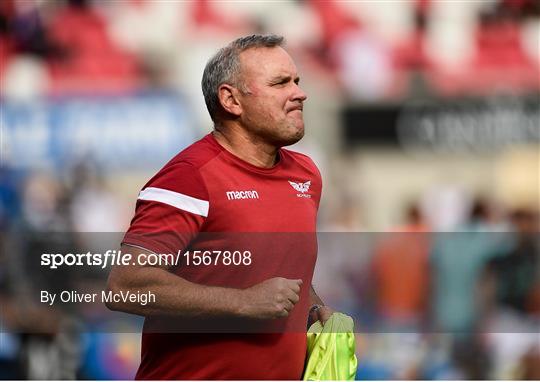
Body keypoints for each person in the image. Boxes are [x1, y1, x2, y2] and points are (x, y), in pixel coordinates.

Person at [106, 34, 333, 380]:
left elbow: (281, 275)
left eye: (297, 81)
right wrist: (243, 302)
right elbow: (125, 288)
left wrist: (314, 309)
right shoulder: (189, 177)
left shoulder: (306, 174)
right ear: (231, 100)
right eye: (280, 83)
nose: (299, 93)